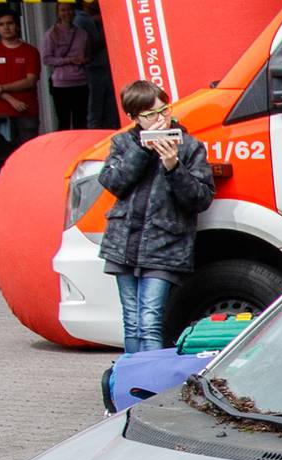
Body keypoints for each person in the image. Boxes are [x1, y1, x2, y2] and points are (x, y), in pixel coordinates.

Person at [98, 81, 214, 353]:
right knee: (131, 321)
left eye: (164, 110)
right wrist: (142, 149)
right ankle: (130, 386)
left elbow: (200, 198)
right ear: (134, 118)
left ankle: (150, 388)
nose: (161, 119)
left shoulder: (189, 146)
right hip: (124, 243)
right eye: (150, 115)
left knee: (149, 322)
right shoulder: (123, 142)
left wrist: (174, 166)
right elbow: (113, 181)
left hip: (165, 245)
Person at [0, 9, 43, 142]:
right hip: (0, 113)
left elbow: (30, 81)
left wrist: (1, 88)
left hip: (26, 110)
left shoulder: (30, 51)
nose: (6, 27)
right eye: (1, 24)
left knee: (28, 152)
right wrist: (11, 100)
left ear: (17, 25)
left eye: (10, 23)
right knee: (3, 153)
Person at [44, 7, 95, 131]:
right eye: (63, 10)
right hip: (61, 84)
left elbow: (88, 56)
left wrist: (83, 60)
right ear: (58, 13)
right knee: (64, 122)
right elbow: (47, 59)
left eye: (69, 10)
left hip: (81, 81)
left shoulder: (82, 33)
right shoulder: (51, 34)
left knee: (81, 122)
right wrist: (70, 60)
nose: (67, 13)